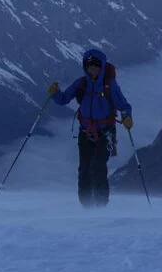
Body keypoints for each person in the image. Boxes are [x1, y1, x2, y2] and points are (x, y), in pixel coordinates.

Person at [48, 48, 133, 207]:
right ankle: (86, 206)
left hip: (106, 132)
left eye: (95, 66)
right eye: (89, 66)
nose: (92, 69)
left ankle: (100, 206)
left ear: (101, 67)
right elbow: (64, 99)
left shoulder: (109, 85)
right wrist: (55, 94)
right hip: (85, 132)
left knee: (98, 167)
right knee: (84, 169)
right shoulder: (81, 83)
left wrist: (127, 116)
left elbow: (124, 105)